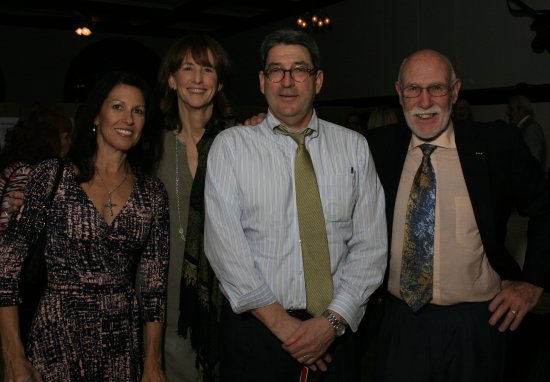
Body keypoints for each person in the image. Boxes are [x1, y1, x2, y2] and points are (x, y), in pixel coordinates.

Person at [203, 29, 387, 381]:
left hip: (336, 332)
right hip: (256, 331)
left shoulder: (354, 147)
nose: (287, 81)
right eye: (276, 70)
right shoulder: (231, 147)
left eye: (299, 70)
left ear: (318, 80)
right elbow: (226, 249)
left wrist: (331, 324)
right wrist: (285, 326)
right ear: (262, 81)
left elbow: (372, 246)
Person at [366, 49, 550, 382]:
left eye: (436, 88)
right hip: (399, 319)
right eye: (413, 89)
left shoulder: (496, 144)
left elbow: (545, 207)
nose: (425, 101)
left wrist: (533, 281)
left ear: (454, 91)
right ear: (399, 92)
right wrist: (265, 127)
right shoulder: (376, 146)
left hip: (477, 323)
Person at [0, 71, 169, 381]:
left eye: (138, 111)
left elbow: (154, 288)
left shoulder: (152, 193)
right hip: (56, 342)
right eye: (118, 106)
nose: (128, 119)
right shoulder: (53, 176)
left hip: (122, 346)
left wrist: (154, 363)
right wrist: (13, 357)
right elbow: (6, 268)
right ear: (96, 114)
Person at [155, 33, 233, 381]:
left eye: (207, 69)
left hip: (230, 292)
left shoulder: (241, 141)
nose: (198, 79)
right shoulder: (148, 145)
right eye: (188, 68)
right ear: (172, 80)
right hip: (168, 293)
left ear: (219, 84)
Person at [0, 106, 71, 238]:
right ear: (50, 140)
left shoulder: (16, 167)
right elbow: (11, 224)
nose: (69, 143)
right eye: (66, 137)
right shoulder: (26, 173)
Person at [507, 95, 546, 167]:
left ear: (522, 111)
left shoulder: (531, 128)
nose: (508, 113)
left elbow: (534, 160)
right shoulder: (522, 128)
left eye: (511, 109)